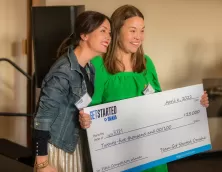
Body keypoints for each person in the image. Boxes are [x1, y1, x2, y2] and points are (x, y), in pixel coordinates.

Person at [79, 5, 209, 172]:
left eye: (142, 31)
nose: (138, 37)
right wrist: (85, 119)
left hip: (152, 152)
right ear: (117, 31)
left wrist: (194, 103)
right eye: (133, 31)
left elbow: (161, 103)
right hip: (118, 155)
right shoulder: (99, 65)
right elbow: (91, 109)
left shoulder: (146, 63)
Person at [33, 11, 111, 172]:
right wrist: (42, 163)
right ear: (84, 35)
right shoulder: (63, 71)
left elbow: (75, 105)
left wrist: (84, 119)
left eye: (109, 32)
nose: (109, 37)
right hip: (56, 149)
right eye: (103, 31)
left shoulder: (90, 68)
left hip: (74, 143)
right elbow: (42, 118)